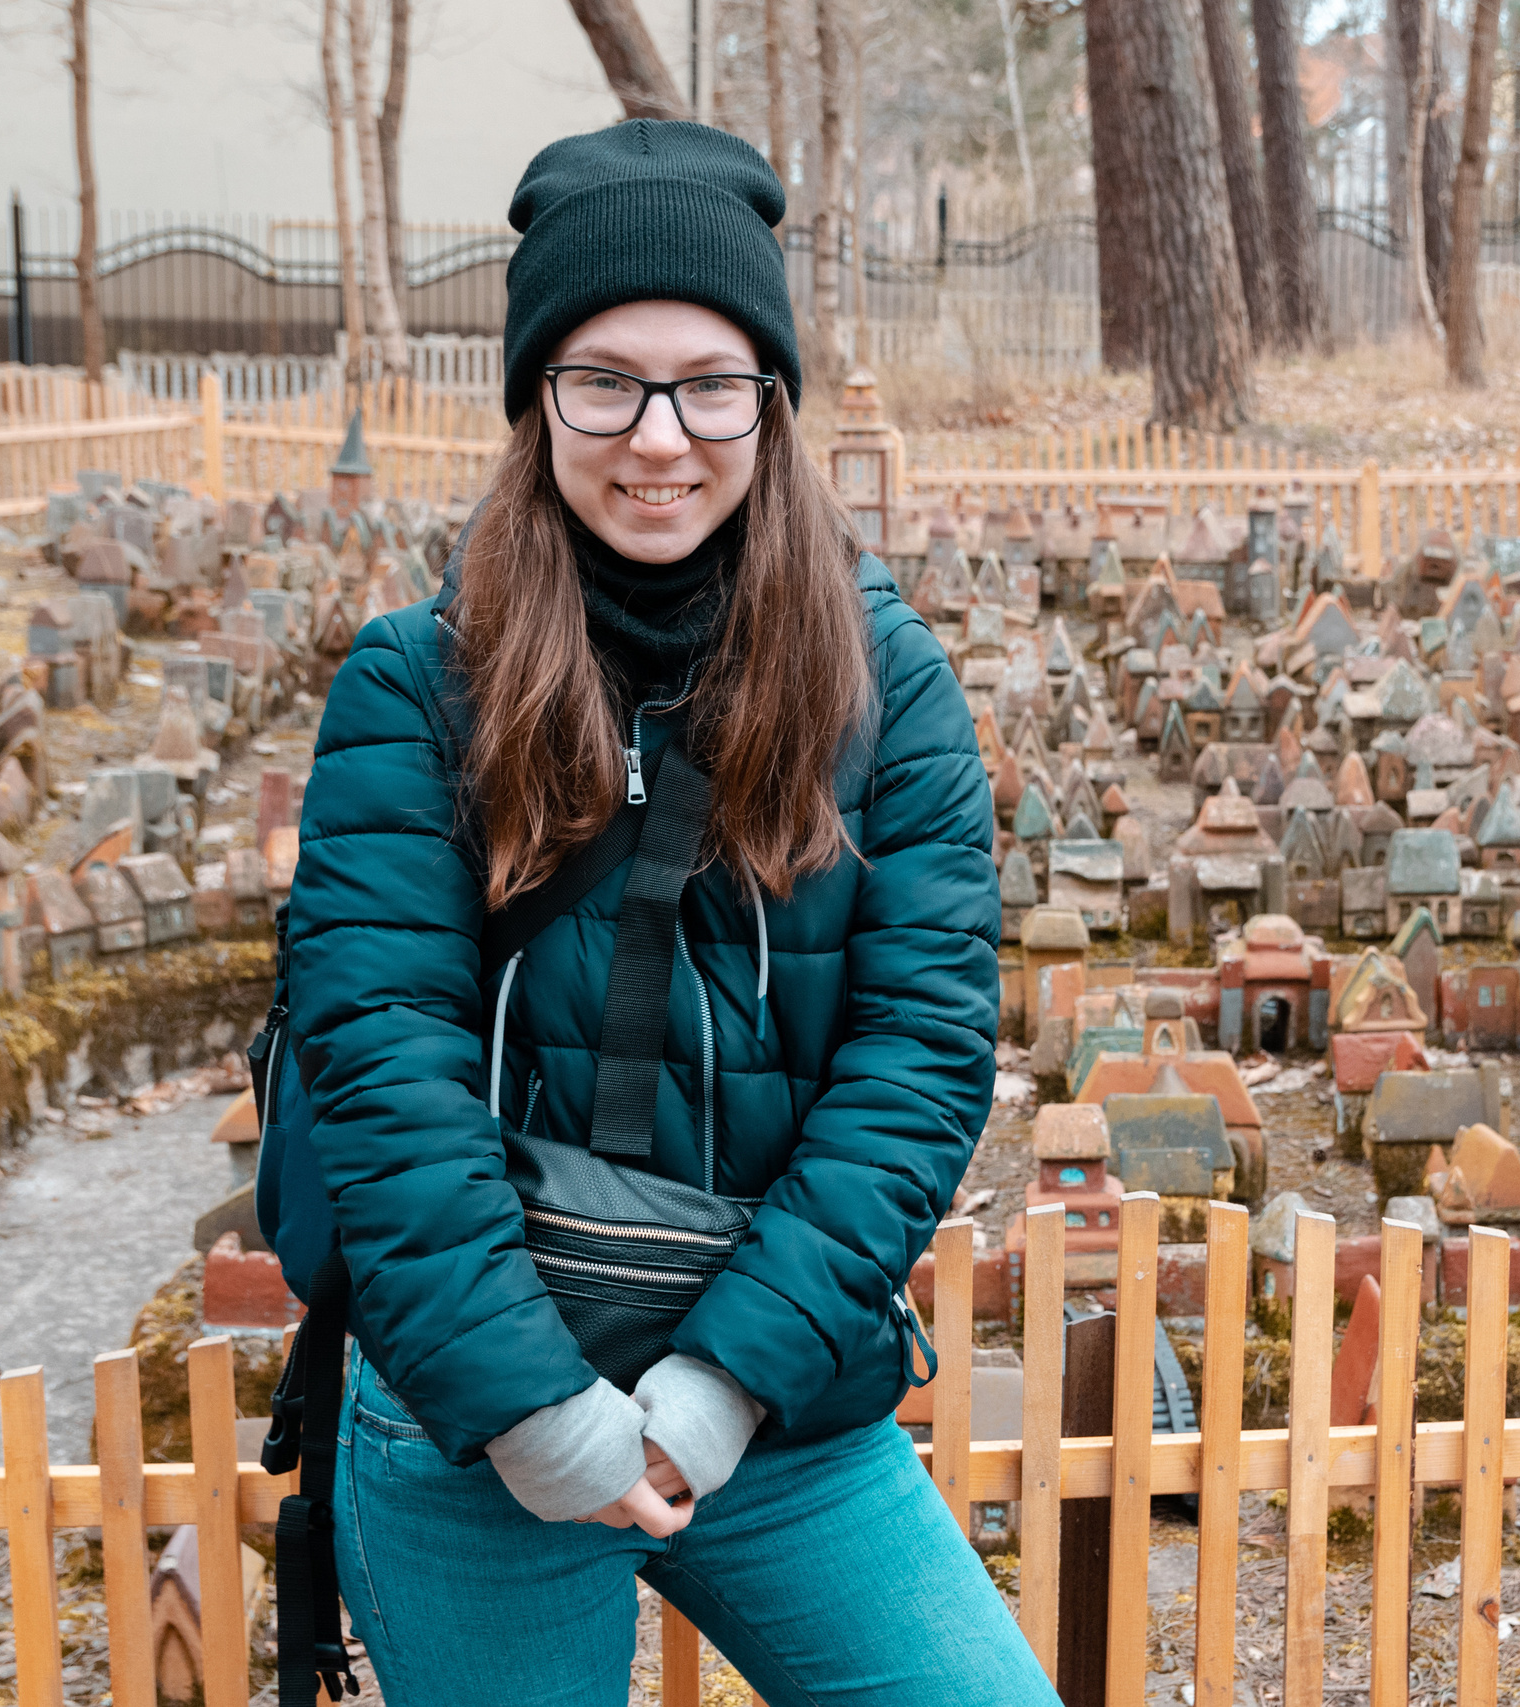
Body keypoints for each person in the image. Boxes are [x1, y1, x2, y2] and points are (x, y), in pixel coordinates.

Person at [285, 119, 1051, 1705]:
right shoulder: (416, 689)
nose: (658, 436)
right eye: (602, 380)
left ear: (769, 404)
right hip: (474, 1415)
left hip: (769, 1400)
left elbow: (920, 1053)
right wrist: (532, 1410)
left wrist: (721, 1383)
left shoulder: (884, 687)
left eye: (710, 381)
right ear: (535, 402)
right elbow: (381, 1060)